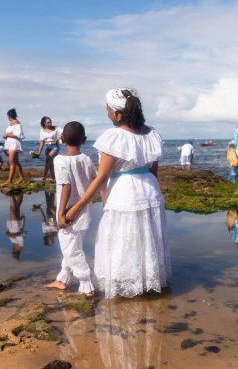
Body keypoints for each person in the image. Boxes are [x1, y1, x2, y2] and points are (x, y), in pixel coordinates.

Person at [66, 88, 171, 299]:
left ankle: (127, 285)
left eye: (107, 109)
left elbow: (102, 177)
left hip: (125, 192)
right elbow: (153, 171)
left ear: (116, 112)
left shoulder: (114, 136)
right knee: (147, 237)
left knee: (124, 239)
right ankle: (145, 282)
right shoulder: (152, 134)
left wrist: (76, 208)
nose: (107, 113)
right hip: (150, 189)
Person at [46, 121, 96, 296]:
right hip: (84, 211)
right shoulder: (86, 159)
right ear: (84, 139)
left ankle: (86, 285)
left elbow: (65, 186)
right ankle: (62, 278)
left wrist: (60, 214)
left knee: (72, 249)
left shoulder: (59, 160)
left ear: (61, 139)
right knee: (72, 245)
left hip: (68, 213)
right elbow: (94, 180)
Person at [2, 108, 25, 186]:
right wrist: (5, 136)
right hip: (10, 143)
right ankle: (22, 178)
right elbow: (11, 134)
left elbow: (19, 135)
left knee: (11, 162)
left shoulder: (17, 122)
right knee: (16, 162)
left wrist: (7, 135)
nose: (7, 117)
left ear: (10, 116)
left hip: (14, 144)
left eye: (7, 116)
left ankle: (9, 180)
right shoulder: (11, 123)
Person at [6, 194, 26, 260]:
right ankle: (11, 192)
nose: (11, 251)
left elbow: (8, 233)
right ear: (15, 252)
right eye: (13, 252)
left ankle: (21, 193)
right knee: (12, 209)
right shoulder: (20, 245)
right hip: (16, 226)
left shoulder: (14, 244)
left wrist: (8, 234)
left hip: (11, 225)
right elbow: (21, 234)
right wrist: (11, 235)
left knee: (16, 207)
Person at [228, 127, 238, 193]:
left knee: (237, 173)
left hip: (236, 156)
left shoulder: (236, 131)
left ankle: (237, 189)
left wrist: (230, 144)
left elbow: (233, 142)